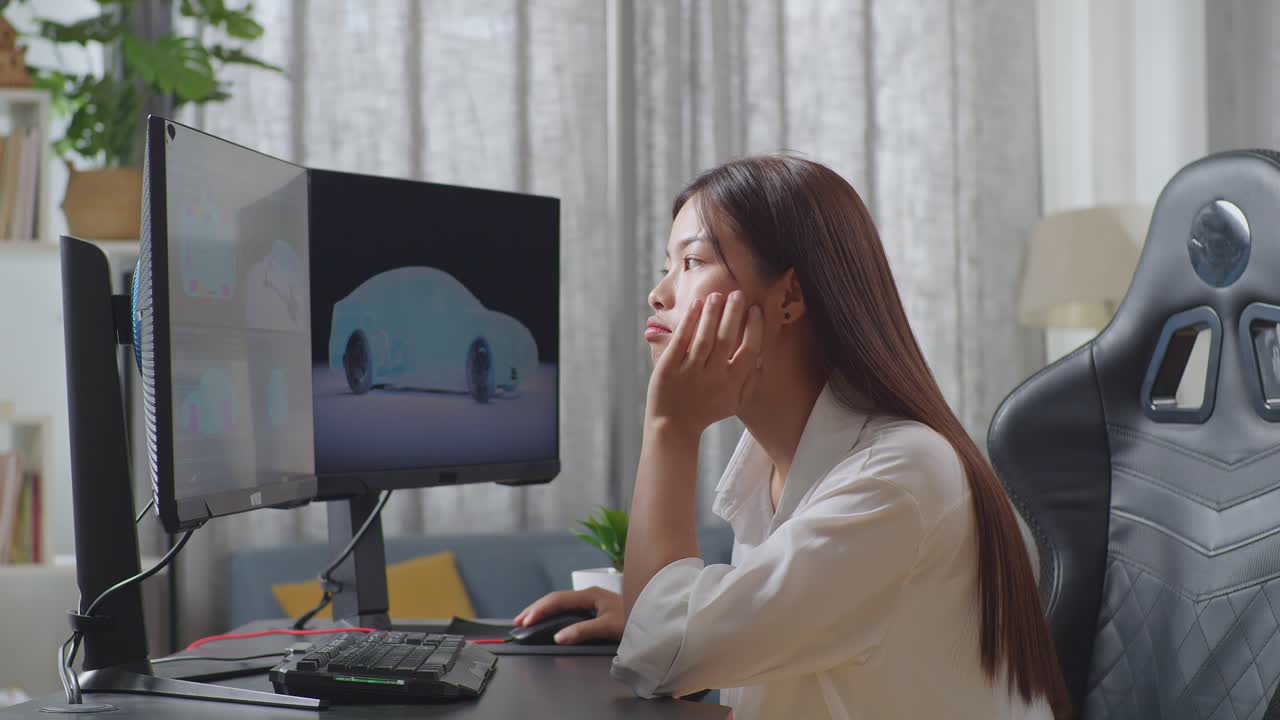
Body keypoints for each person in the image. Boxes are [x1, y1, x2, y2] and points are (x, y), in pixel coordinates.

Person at [515, 155, 1069, 719]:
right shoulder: (774, 462)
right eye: (667, 265)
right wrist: (647, 612)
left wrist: (670, 429)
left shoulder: (899, 475)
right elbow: (678, 640)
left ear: (788, 298)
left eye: (691, 262)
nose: (659, 294)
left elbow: (661, 655)